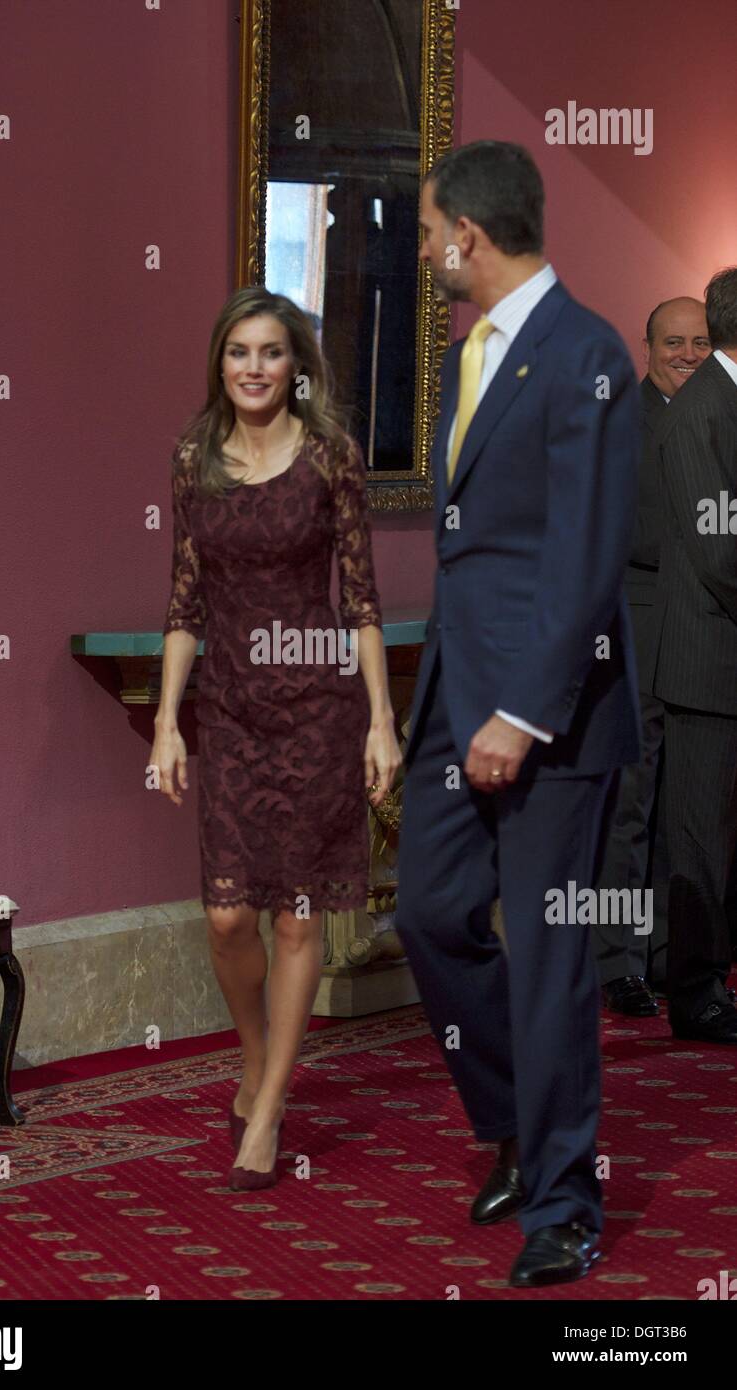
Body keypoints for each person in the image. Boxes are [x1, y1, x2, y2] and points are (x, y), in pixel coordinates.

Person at [395, 140, 640, 1288]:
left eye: (428, 224)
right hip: (454, 699)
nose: (423, 241)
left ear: (467, 239)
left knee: (546, 961)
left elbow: (586, 559)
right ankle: (508, 1117)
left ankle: (562, 1200)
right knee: (429, 914)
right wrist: (446, 706)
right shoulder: (466, 357)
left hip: (549, 717)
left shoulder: (587, 353)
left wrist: (522, 714)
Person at [153, 286, 401, 1190]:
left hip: (315, 712)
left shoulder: (331, 456)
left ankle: (266, 1111)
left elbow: (364, 604)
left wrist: (380, 722)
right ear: (220, 365)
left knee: (297, 916)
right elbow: (182, 603)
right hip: (227, 708)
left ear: (297, 366)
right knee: (227, 915)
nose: (254, 368)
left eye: (270, 352)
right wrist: (165, 723)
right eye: (238, 353)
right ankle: (256, 1060)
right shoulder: (194, 460)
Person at [595, 299, 711, 1015]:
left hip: (706, 634)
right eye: (675, 342)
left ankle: (676, 957)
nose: (689, 353)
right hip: (636, 630)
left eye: (701, 341)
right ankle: (618, 962)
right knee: (628, 806)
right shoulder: (617, 425)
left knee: (688, 809)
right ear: (648, 348)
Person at [650, 266, 737, 1044]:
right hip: (709, 666)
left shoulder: (721, 399)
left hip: (726, 659)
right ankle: (697, 995)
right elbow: (719, 551)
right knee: (702, 841)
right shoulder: (701, 410)